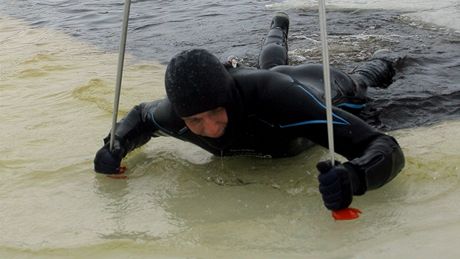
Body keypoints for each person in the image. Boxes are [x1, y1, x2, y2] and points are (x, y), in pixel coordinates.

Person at [94, 12, 405, 211]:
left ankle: (385, 53)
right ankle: (278, 24)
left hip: (323, 87)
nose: (212, 128)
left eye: (216, 112)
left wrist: (356, 177)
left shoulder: (280, 100)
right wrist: (116, 145)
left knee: (363, 80)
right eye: (195, 121)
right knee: (270, 65)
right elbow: (140, 116)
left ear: (229, 99)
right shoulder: (174, 115)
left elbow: (384, 147)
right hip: (267, 79)